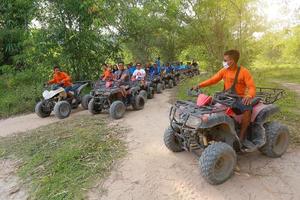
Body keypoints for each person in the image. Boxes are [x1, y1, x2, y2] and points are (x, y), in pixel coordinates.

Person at [192, 49, 256, 149]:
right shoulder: (224, 70)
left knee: (248, 109)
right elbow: (213, 80)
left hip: (238, 98)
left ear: (232, 61)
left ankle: (242, 135)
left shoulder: (244, 72)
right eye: (224, 60)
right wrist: (199, 85)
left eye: (226, 60)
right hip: (225, 96)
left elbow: (251, 87)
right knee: (209, 104)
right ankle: (208, 128)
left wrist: (249, 96)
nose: (224, 62)